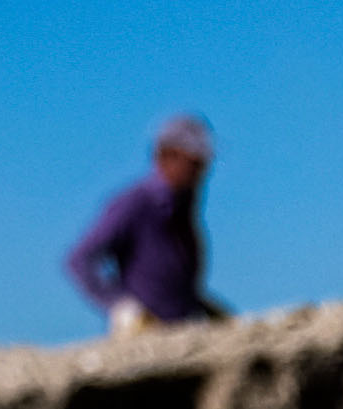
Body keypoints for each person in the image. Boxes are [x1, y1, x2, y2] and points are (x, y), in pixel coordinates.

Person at [64, 116, 224, 334]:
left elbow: (170, 276)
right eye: (194, 163)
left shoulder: (183, 209)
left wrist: (204, 308)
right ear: (167, 156)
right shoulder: (136, 203)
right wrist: (122, 307)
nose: (201, 173)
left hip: (183, 329)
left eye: (203, 165)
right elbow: (79, 259)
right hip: (145, 334)